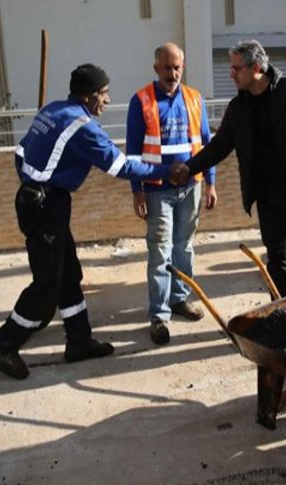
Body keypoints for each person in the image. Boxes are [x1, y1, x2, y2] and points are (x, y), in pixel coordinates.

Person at [0, 64, 173, 379]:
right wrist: (167, 171)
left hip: (40, 200)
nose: (108, 100)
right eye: (103, 93)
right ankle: (4, 343)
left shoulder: (53, 110)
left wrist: (31, 183)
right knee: (47, 285)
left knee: (69, 273)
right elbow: (120, 167)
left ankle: (79, 341)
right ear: (87, 96)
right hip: (46, 206)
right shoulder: (82, 126)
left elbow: (20, 154)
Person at [170, 39, 286, 298]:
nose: (231, 73)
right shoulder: (238, 108)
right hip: (268, 197)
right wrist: (189, 168)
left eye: (237, 68)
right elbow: (219, 146)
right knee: (276, 259)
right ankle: (280, 315)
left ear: (256, 67)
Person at [126, 43, 217, 345]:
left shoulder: (194, 99)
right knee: (160, 251)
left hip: (191, 187)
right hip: (157, 191)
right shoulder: (141, 101)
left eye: (177, 67)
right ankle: (159, 315)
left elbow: (206, 145)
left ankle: (179, 299)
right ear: (156, 69)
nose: (173, 73)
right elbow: (134, 152)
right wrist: (137, 192)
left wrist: (211, 183)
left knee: (184, 247)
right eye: (167, 67)